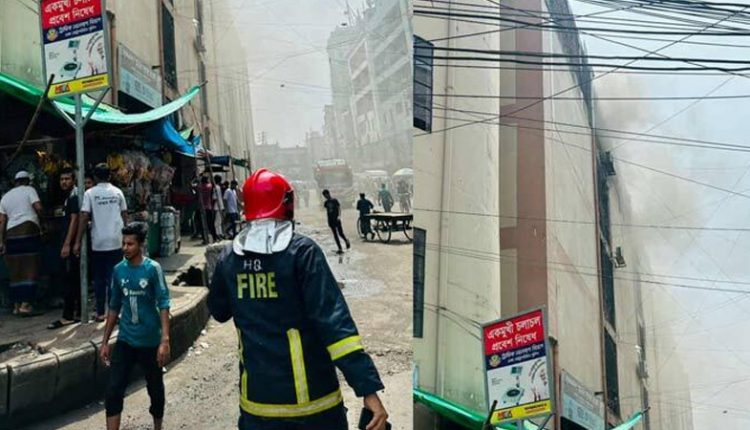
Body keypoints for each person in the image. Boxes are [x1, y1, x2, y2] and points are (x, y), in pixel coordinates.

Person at [208, 168, 388, 430]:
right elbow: (336, 326)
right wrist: (367, 388)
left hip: (257, 407)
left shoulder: (229, 258)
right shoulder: (302, 253)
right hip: (314, 408)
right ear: (287, 203)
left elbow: (219, 311)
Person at [100, 222, 171, 430]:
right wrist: (105, 342)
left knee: (156, 392)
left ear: (140, 245)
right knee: (113, 390)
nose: (125, 248)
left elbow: (164, 303)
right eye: (123, 243)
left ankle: (158, 426)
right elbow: (114, 307)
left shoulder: (153, 269)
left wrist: (164, 340)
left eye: (130, 244)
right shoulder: (118, 271)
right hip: (126, 340)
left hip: (150, 341)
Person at [75, 163, 128, 322]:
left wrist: (78, 240)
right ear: (110, 176)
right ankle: (114, 313)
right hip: (116, 240)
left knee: (99, 279)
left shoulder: (90, 193)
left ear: (95, 177)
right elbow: (124, 214)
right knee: (114, 278)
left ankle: (100, 313)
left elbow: (84, 216)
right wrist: (126, 236)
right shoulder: (117, 192)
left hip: (98, 242)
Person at [0, 170, 44, 316]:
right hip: (28, 231)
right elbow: (38, 207)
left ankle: (16, 306)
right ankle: (26, 304)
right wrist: (43, 221)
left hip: (11, 235)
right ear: (27, 181)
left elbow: (2, 221)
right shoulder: (30, 190)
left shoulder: (5, 197)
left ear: (15, 182)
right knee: (30, 268)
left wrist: (1, 241)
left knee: (16, 271)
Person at [48, 168, 81, 329]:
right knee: (74, 278)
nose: (64, 182)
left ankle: (68, 315)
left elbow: (74, 220)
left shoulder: (74, 197)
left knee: (70, 279)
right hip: (71, 243)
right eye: (62, 179)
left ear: (73, 180)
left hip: (71, 244)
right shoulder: (69, 197)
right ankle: (78, 312)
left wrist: (67, 244)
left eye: (67, 179)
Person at [323, 189, 350, 254]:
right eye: (324, 196)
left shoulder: (335, 200)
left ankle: (346, 240)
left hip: (336, 219)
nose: (325, 197)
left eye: (326, 195)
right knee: (335, 234)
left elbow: (339, 208)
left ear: (328, 194)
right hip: (330, 220)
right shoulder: (326, 203)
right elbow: (328, 211)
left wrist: (339, 216)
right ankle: (340, 248)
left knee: (340, 233)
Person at [198, 176, 219, 242]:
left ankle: (205, 238)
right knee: (210, 224)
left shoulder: (200, 187)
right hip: (208, 207)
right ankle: (214, 237)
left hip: (202, 208)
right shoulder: (209, 186)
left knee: (202, 224)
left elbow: (192, 185)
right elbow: (211, 184)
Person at [213, 174, 226, 240]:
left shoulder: (216, 187)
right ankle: (220, 233)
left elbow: (214, 197)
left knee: (216, 222)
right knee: (219, 221)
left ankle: (218, 234)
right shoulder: (219, 187)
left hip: (217, 206)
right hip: (220, 205)